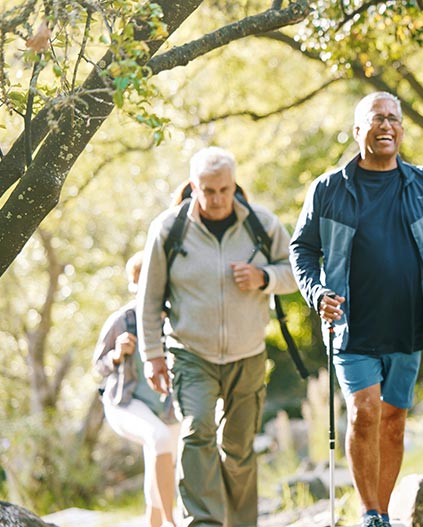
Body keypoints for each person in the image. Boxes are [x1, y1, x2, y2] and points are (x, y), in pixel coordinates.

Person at [290, 92, 423, 527]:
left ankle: (384, 512)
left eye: (394, 119)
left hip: (408, 321)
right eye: (377, 118)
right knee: (365, 411)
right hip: (351, 326)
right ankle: (370, 514)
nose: (387, 126)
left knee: (394, 420)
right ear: (358, 129)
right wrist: (315, 291)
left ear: (401, 129)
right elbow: (302, 250)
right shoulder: (328, 188)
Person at [136, 146, 297, 527]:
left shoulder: (263, 225)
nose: (217, 199)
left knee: (239, 448)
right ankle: (204, 523)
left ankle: (242, 523)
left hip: (248, 352)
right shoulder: (168, 229)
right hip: (191, 353)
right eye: (208, 191)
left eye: (224, 189)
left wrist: (264, 278)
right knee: (197, 433)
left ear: (234, 184)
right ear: (194, 187)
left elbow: (296, 272)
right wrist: (152, 355)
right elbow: (149, 298)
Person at [93, 251, 179, 527]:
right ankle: (172, 522)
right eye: (140, 283)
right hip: (125, 403)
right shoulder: (122, 320)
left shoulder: (174, 317)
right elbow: (99, 366)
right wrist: (116, 355)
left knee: (161, 460)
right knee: (159, 439)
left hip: (166, 407)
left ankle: (154, 523)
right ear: (133, 286)